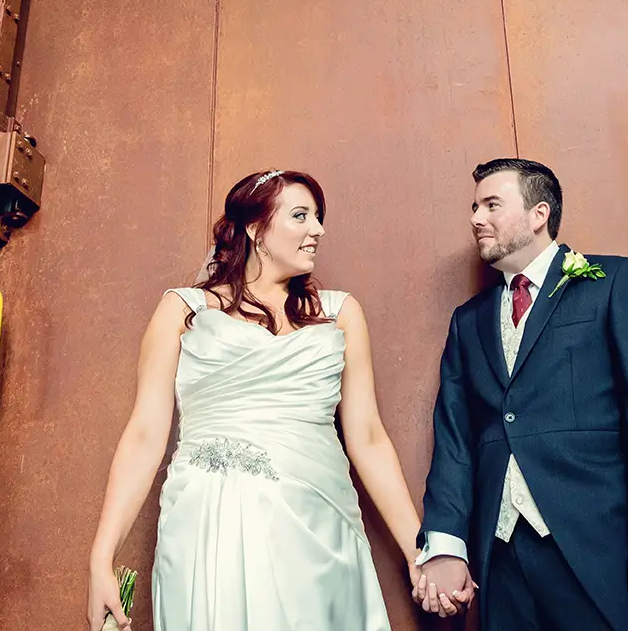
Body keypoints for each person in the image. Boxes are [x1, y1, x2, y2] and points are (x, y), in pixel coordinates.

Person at [86, 169, 443, 630]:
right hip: (208, 523)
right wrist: (102, 557)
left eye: (318, 217)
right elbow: (144, 435)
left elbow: (369, 438)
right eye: (301, 216)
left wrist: (418, 552)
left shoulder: (340, 314)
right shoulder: (183, 310)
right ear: (256, 229)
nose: (318, 230)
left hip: (317, 527)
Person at [414, 158, 628, 629]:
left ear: (538, 213)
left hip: (601, 549)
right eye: (474, 207)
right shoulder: (468, 320)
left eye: (491, 205)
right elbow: (455, 440)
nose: (476, 218)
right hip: (502, 557)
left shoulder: (613, 282)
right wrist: (445, 545)